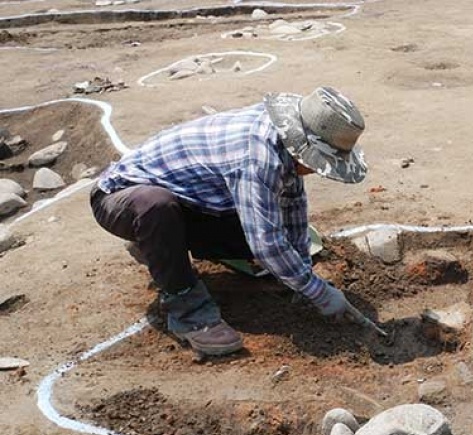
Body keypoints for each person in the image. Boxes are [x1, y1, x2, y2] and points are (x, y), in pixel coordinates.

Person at [91, 86, 368, 356]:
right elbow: (266, 242)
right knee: (157, 206)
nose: (317, 171)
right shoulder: (257, 154)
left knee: (272, 229)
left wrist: (303, 276)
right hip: (121, 199)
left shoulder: (284, 144)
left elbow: (293, 207)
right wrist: (318, 293)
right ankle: (188, 311)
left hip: (192, 203)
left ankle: (160, 249)